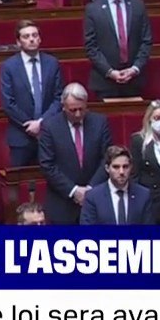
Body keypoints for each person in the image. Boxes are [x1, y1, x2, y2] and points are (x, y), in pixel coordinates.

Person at [37, 83, 110, 225]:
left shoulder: (100, 122)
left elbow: (106, 158)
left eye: (81, 109)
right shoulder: (50, 126)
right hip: (62, 203)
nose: (78, 114)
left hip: (95, 201)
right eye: (73, 110)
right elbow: (47, 165)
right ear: (63, 107)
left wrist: (90, 189)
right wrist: (74, 190)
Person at [84, 0, 154, 98]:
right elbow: (91, 47)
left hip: (134, 80)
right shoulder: (93, 9)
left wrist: (135, 69)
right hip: (105, 81)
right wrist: (110, 72)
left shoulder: (138, 6)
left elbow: (146, 41)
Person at [0, 20, 64, 168]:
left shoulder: (52, 63)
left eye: (35, 35)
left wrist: (41, 123)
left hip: (49, 133)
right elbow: (8, 103)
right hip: (21, 136)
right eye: (26, 36)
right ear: (18, 42)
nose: (31, 39)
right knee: (19, 178)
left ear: (40, 39)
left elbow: (59, 98)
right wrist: (30, 125)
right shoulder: (9, 66)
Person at [81, 145, 154, 225]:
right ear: (107, 168)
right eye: (116, 167)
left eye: (125, 167)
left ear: (131, 167)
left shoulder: (143, 195)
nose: (121, 172)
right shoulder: (93, 197)